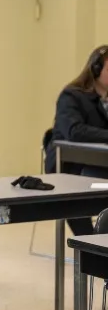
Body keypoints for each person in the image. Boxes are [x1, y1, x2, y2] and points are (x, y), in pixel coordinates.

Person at [45, 45, 108, 235]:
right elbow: (74, 131)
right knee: (79, 193)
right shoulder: (71, 96)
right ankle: (91, 246)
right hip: (70, 167)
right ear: (96, 70)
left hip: (101, 164)